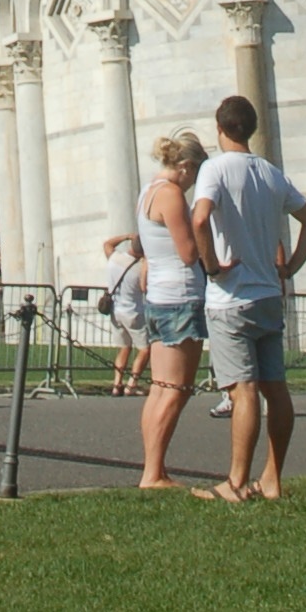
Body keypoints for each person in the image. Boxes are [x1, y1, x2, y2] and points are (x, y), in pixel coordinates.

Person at [190, 97, 306, 503]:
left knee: (243, 390)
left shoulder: (214, 168)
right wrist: (291, 267)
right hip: (268, 293)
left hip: (231, 296)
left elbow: (200, 218)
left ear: (219, 128)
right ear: (251, 129)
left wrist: (211, 266)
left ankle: (235, 483)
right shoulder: (270, 172)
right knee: (276, 389)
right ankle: (272, 478)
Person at [135, 132, 208, 491]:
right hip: (180, 295)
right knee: (177, 388)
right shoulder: (172, 195)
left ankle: (154, 468)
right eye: (195, 175)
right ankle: (153, 473)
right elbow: (189, 252)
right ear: (186, 167)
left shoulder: (147, 191)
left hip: (159, 296)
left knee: (160, 388)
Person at [102, 230, 150, 395]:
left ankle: (117, 383)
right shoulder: (140, 267)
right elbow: (144, 287)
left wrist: (126, 236)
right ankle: (132, 384)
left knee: (124, 348)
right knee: (145, 349)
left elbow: (107, 244)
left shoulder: (115, 258)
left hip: (116, 310)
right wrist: (147, 263)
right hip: (133, 311)